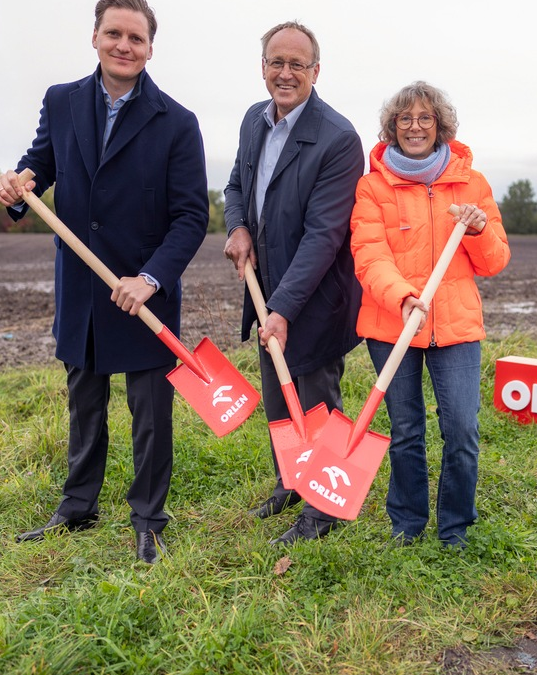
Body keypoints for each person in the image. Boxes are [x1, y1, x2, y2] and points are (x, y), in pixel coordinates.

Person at [0, 0, 208, 564]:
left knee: (150, 412)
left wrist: (152, 278)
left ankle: (148, 518)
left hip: (142, 292)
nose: (124, 46)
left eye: (136, 38)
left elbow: (189, 217)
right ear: (95, 38)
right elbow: (39, 164)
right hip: (85, 286)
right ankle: (78, 506)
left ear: (150, 48)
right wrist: (18, 185)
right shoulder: (60, 101)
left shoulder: (177, 122)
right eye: (114, 33)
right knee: (84, 402)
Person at [349, 81, 510, 548]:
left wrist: (478, 230)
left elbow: (495, 260)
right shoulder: (372, 186)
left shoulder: (471, 184)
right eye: (405, 119)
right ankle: (407, 523)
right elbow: (368, 253)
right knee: (405, 429)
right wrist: (402, 297)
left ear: (439, 125)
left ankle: (455, 527)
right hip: (392, 323)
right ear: (392, 127)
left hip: (456, 328)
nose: (415, 127)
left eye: (425, 118)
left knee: (461, 428)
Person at [223, 21, 365, 546]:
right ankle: (290, 481)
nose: (285, 73)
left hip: (316, 295)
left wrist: (282, 308)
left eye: (296, 65)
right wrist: (237, 225)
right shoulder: (252, 122)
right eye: (275, 63)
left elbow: (325, 237)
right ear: (263, 67)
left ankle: (322, 509)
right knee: (278, 398)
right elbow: (237, 184)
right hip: (264, 287)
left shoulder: (338, 138)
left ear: (315, 71)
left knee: (315, 399)